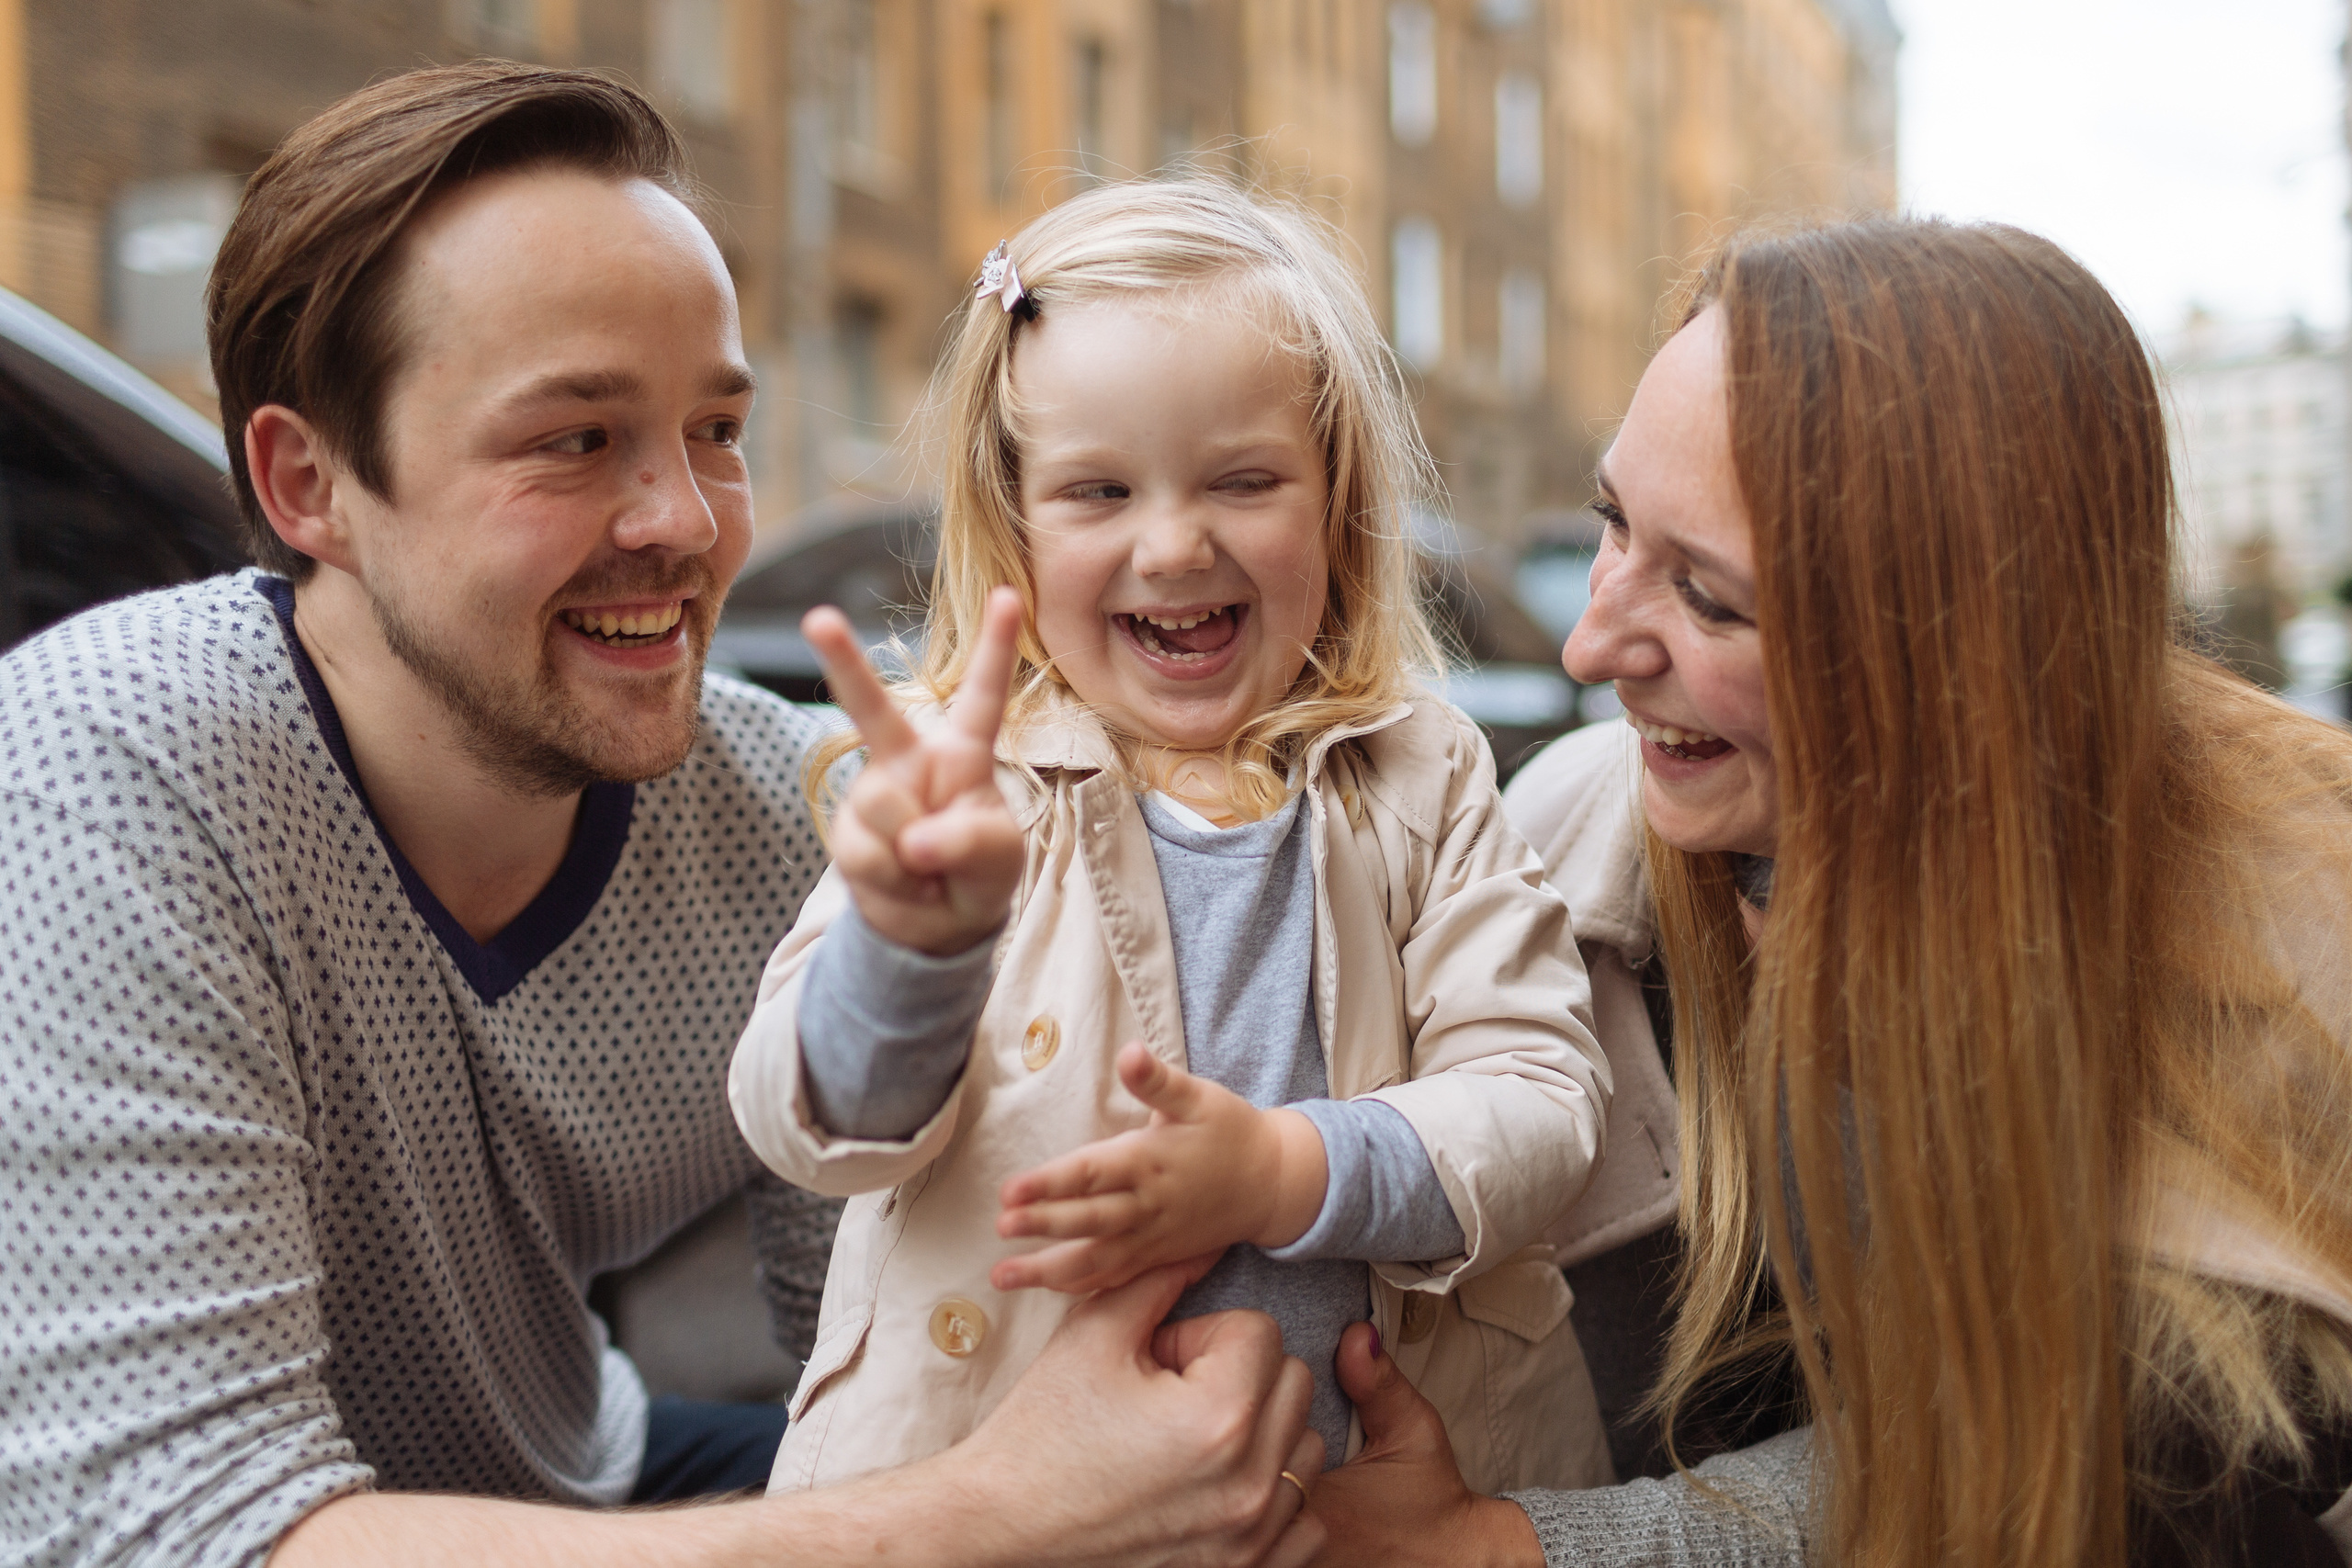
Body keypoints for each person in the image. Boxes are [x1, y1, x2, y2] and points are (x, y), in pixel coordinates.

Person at [0, 63, 1321, 1568]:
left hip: (580, 1470)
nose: (687, 525)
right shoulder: (107, 770)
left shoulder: (798, 812)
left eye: (716, 429)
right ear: (311, 484)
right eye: (575, 442)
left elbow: (899, 1345)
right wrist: (1001, 1516)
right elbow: (181, 1534)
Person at [1304, 217, 2352, 1566]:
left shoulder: (2290, 949)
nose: (1591, 641)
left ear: (1961, 655)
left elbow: (2072, 1466)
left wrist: (1523, 1549)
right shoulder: (1560, 852)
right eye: (1611, 523)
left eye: (1712, 599)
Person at [728, 179, 1615, 1499]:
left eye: (1244, 480)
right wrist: (910, 947)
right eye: (1097, 490)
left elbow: (1543, 1105)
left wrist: (1276, 1170)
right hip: (1002, 1492)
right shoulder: (958, 790)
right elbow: (815, 1128)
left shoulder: (1423, 773)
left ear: (1337, 503)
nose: (1174, 541)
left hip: (1369, 1497)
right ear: (1013, 521)